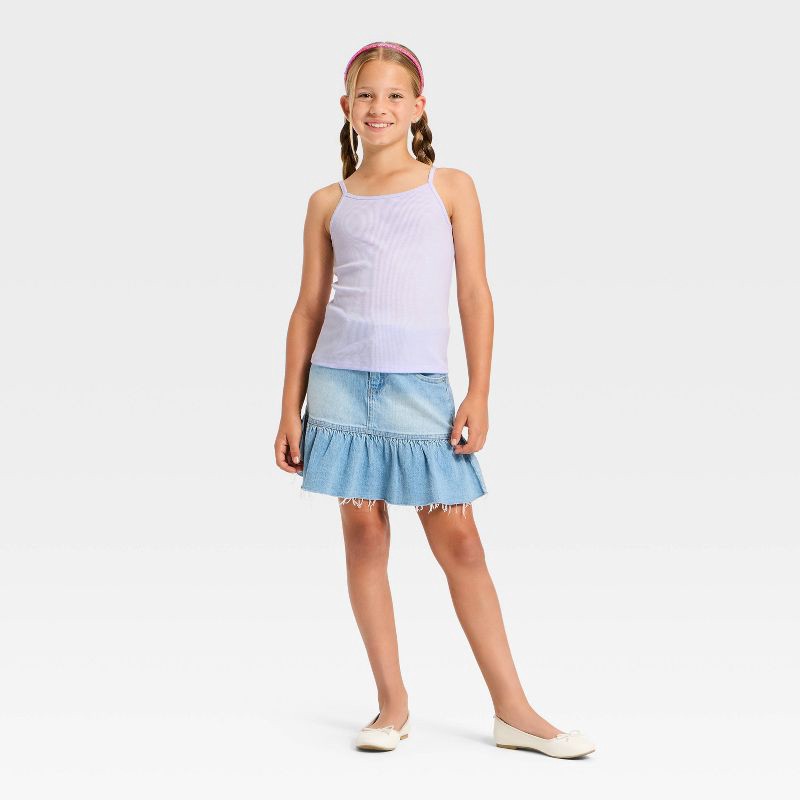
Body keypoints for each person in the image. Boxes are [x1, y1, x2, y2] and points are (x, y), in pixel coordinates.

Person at [275, 40, 595, 758]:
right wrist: (288, 407)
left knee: (461, 544)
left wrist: (479, 390)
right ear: (345, 106)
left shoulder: (449, 187)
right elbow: (308, 308)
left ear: (418, 107)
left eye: (394, 95)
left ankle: (513, 710)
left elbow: (475, 293)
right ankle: (391, 705)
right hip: (339, 389)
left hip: (419, 391)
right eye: (366, 95)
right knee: (364, 539)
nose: (379, 107)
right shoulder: (328, 201)